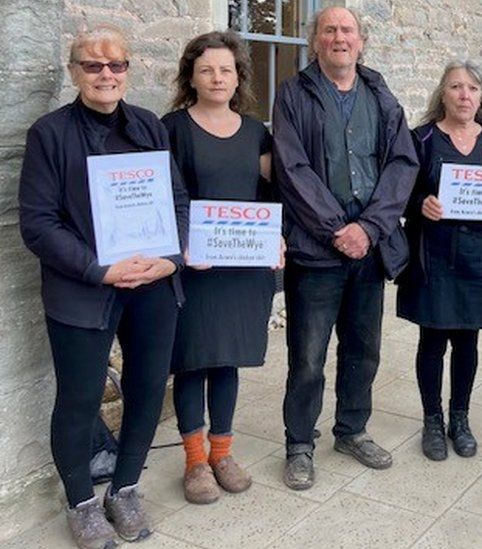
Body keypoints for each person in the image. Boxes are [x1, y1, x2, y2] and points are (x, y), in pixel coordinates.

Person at [18, 25, 189, 548]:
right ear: (74, 72)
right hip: (84, 286)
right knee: (79, 397)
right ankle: (82, 503)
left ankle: (126, 487)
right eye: (93, 65)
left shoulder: (148, 126)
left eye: (116, 65)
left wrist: (170, 259)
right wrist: (101, 270)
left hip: (153, 284)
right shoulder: (49, 133)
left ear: (128, 71)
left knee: (146, 386)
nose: (106, 74)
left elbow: (178, 201)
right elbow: (38, 223)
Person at [273, 6, 418, 489]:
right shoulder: (293, 94)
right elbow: (292, 170)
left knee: (364, 349)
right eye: (329, 30)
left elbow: (402, 164)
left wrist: (370, 229)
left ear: (361, 41)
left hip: (369, 250)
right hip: (317, 250)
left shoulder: (380, 94)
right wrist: (339, 229)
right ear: (315, 41)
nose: (339, 37)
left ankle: (352, 429)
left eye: (348, 30)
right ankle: (298, 442)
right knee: (308, 354)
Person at [162, 31, 283, 504]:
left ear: (238, 78)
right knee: (193, 360)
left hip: (243, 266)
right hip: (194, 265)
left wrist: (279, 236)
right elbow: (163, 197)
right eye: (207, 69)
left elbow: (272, 195)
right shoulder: (171, 128)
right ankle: (194, 460)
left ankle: (223, 452)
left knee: (228, 358)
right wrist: (183, 243)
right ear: (191, 76)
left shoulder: (256, 132)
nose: (217, 77)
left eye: (226, 69)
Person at [398, 61, 482, 461]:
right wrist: (421, 204)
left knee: (468, 340)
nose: (465, 95)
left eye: (472, 88)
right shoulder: (422, 139)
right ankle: (432, 420)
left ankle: (459, 419)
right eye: (456, 87)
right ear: (442, 94)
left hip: (480, 257)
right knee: (432, 340)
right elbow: (400, 195)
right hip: (434, 256)